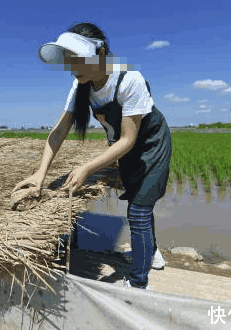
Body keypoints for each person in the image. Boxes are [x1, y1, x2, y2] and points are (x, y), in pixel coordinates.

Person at [12, 22, 172, 290]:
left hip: (150, 147)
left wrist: (86, 168)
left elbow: (130, 138)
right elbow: (59, 130)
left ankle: (138, 284)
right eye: (69, 61)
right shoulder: (80, 87)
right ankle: (152, 251)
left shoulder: (128, 79)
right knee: (138, 198)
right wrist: (40, 174)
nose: (72, 68)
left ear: (101, 53)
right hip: (121, 147)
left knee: (139, 210)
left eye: (77, 60)